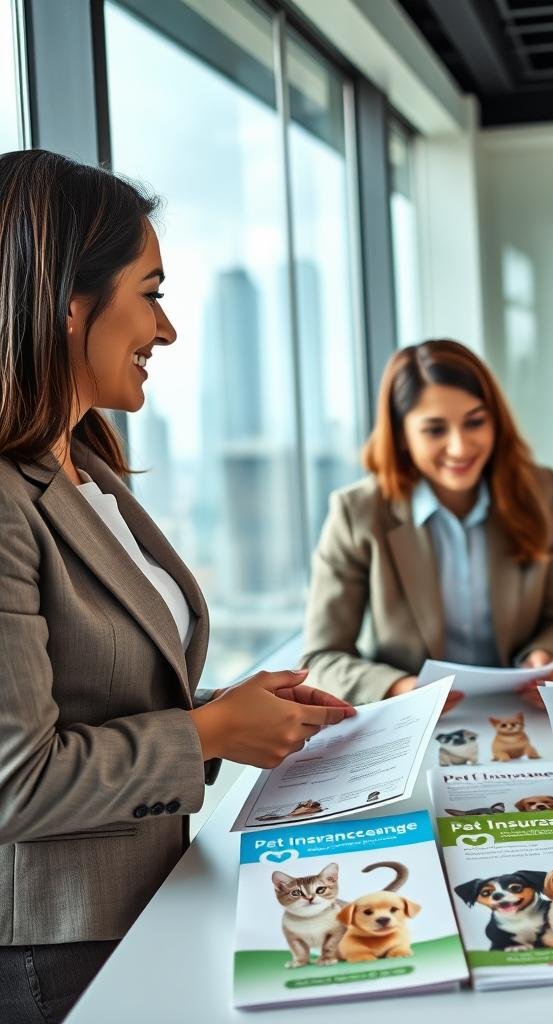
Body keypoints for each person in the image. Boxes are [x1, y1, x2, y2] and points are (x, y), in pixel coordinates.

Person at [0, 150, 354, 1023]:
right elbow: (18, 784)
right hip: (59, 949)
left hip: (144, 904)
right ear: (69, 304)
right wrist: (207, 731)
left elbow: (104, 691)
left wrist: (229, 709)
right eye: (150, 293)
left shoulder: (83, 468)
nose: (167, 331)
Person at [302, 339, 553, 707]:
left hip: (518, 711)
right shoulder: (358, 512)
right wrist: (402, 688)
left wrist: (544, 654)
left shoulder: (539, 492)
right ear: (402, 435)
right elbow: (321, 659)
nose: (460, 447)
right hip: (411, 720)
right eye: (435, 430)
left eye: (475, 422)